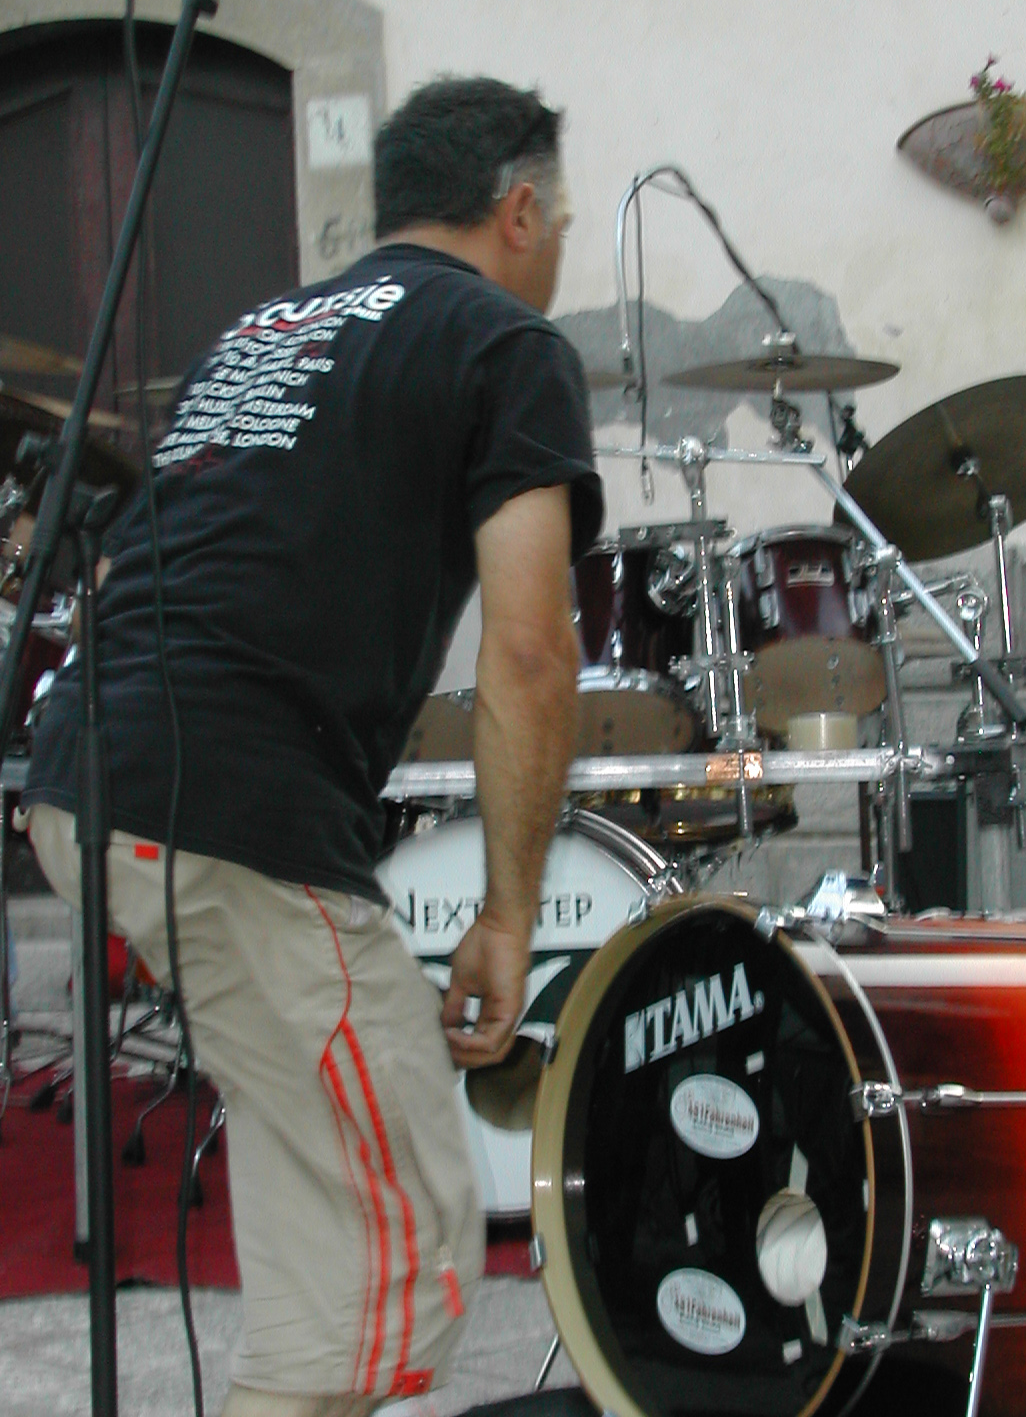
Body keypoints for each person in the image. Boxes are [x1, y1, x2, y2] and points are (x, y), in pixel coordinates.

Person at [22, 75, 603, 1416]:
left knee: (323, 1230)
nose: (559, 242)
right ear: (518, 208)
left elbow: (137, 567)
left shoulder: (266, 329)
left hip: (88, 772)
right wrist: (509, 918)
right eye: (558, 214)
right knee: (402, 1244)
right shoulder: (506, 346)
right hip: (231, 806)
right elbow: (529, 647)